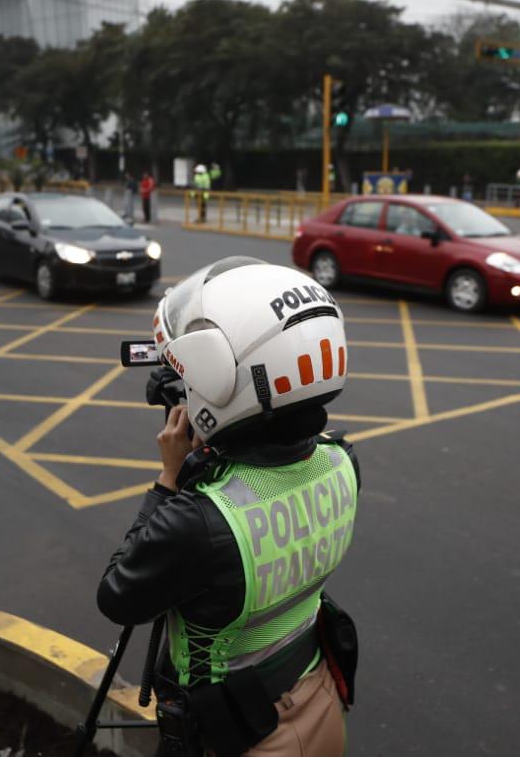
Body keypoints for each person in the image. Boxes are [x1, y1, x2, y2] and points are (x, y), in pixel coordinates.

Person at [98, 257, 360, 757]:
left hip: (231, 736)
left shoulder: (198, 523)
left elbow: (118, 596)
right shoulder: (342, 461)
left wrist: (169, 477)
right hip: (318, 696)